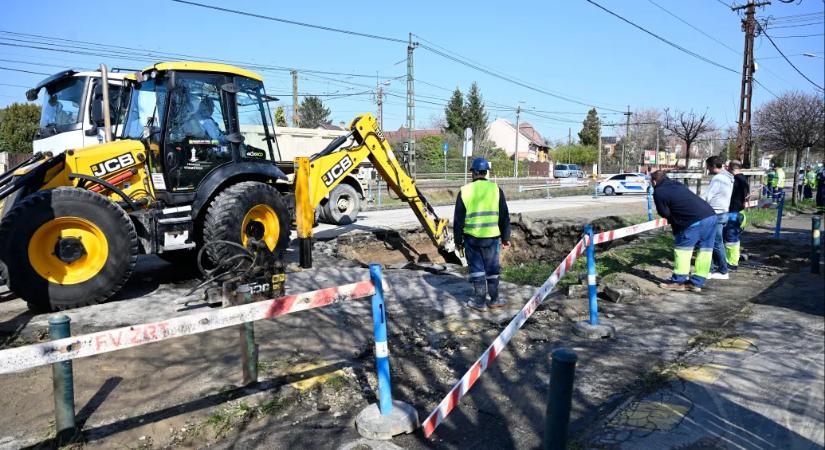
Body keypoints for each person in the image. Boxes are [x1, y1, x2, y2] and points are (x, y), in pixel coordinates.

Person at [454, 157, 511, 311]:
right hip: (492, 238)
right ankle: (494, 299)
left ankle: (479, 302)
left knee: (477, 269)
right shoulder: (496, 189)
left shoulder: (465, 191)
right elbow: (504, 216)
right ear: (486, 172)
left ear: (473, 172)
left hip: (472, 239)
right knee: (492, 269)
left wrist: (457, 241)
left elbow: (458, 220)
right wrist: (506, 237)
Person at [651, 170, 718, 292]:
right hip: (711, 216)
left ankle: (678, 281)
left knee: (683, 251)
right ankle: (697, 282)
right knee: (705, 251)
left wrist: (674, 220)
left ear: (654, 182)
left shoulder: (659, 191)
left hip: (692, 221)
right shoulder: (677, 184)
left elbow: (664, 212)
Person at [701, 156, 734, 280]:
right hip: (723, 212)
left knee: (715, 243)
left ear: (713, 166)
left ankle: (723, 271)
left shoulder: (718, 179)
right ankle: (711, 269)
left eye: (708, 166)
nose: (707, 169)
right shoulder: (728, 177)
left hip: (716, 213)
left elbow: (708, 196)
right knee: (715, 242)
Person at [724, 161, 749, 271]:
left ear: (730, 168)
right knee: (733, 239)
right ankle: (733, 260)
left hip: (733, 213)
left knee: (730, 239)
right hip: (739, 212)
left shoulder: (735, 181)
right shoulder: (743, 179)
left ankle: (732, 263)